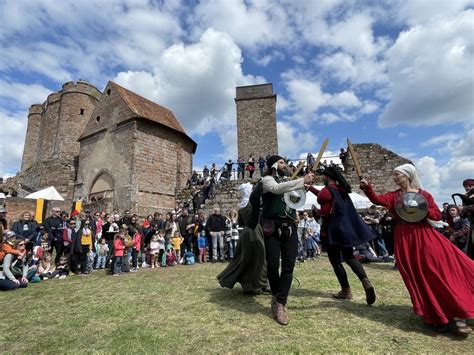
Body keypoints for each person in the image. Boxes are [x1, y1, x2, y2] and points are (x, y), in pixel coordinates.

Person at [360, 164, 474, 335]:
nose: (394, 178)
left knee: (437, 271)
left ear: (407, 176)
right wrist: (367, 188)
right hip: (404, 238)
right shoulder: (394, 196)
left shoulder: (424, 195)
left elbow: (436, 215)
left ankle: (459, 314)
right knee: (418, 276)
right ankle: (435, 314)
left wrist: (420, 208)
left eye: (397, 174)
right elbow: (378, 200)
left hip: (425, 235)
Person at [307, 166, 376, 305]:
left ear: (327, 176)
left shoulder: (327, 191)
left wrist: (316, 213)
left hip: (333, 230)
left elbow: (326, 211)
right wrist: (310, 188)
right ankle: (365, 280)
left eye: (324, 176)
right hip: (345, 229)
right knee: (349, 257)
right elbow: (326, 196)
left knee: (335, 261)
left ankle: (346, 290)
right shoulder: (341, 189)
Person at [260, 155, 314, 325]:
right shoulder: (267, 180)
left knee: (289, 266)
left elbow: (295, 200)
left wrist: (303, 187)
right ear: (274, 165)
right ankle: (276, 296)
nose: (285, 164)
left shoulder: (288, 181)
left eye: (285, 162)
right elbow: (277, 189)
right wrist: (300, 181)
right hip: (272, 228)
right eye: (281, 162)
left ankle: (280, 303)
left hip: (290, 227)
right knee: (273, 265)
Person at [217, 181, 268, 295]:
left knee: (247, 259)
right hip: (255, 231)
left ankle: (251, 286)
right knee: (260, 258)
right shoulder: (253, 203)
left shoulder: (242, 206)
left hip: (245, 234)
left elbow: (240, 223)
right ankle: (261, 284)